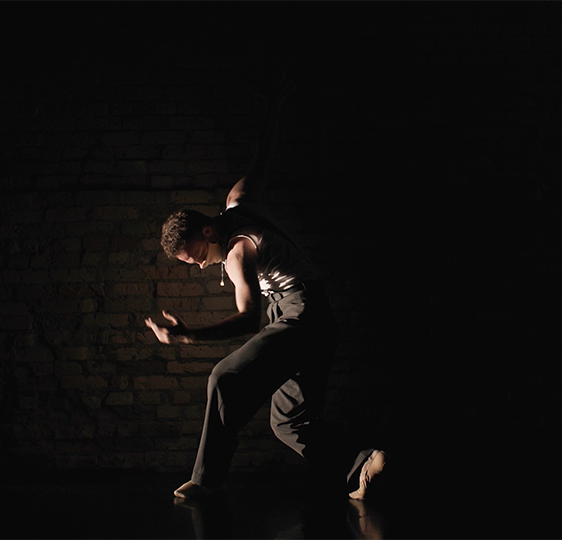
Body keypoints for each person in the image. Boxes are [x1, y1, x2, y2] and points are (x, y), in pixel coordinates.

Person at [144, 73, 386, 500]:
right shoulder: (240, 199)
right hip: (316, 318)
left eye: (196, 256)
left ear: (207, 231)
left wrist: (188, 335)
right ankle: (363, 461)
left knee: (223, 377)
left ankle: (205, 482)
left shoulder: (239, 252)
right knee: (290, 423)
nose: (200, 266)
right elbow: (264, 157)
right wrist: (274, 109)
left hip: (299, 316)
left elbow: (248, 318)